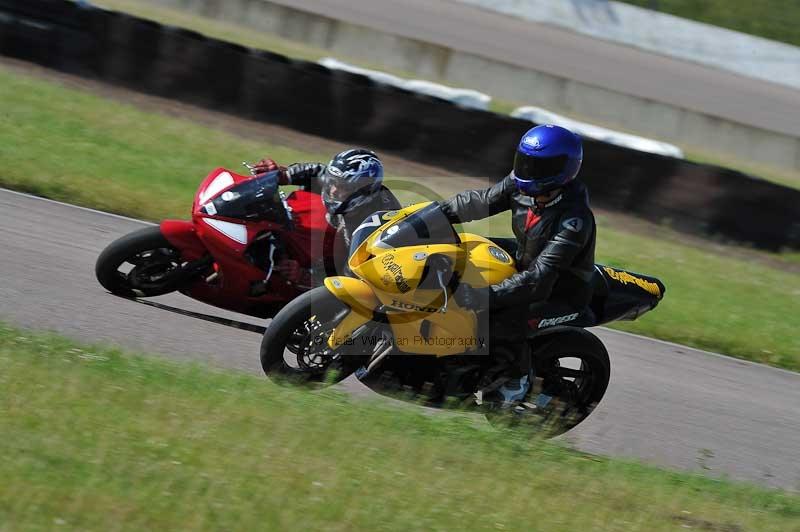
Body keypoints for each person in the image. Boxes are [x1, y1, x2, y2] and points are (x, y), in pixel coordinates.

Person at [440, 124, 597, 407]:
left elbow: (539, 278)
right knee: (464, 252)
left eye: (539, 165)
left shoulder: (575, 220)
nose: (528, 170)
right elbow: (483, 201)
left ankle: (515, 379)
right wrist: (438, 213)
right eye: (525, 161)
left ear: (564, 169)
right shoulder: (519, 183)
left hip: (557, 290)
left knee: (496, 315)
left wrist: (484, 296)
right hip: (526, 261)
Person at [252, 148, 401, 281]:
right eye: (333, 182)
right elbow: (319, 171)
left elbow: (350, 280)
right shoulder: (346, 184)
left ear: (362, 192)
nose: (334, 190)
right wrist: (282, 174)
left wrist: (305, 276)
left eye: (342, 187)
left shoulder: (372, 229)